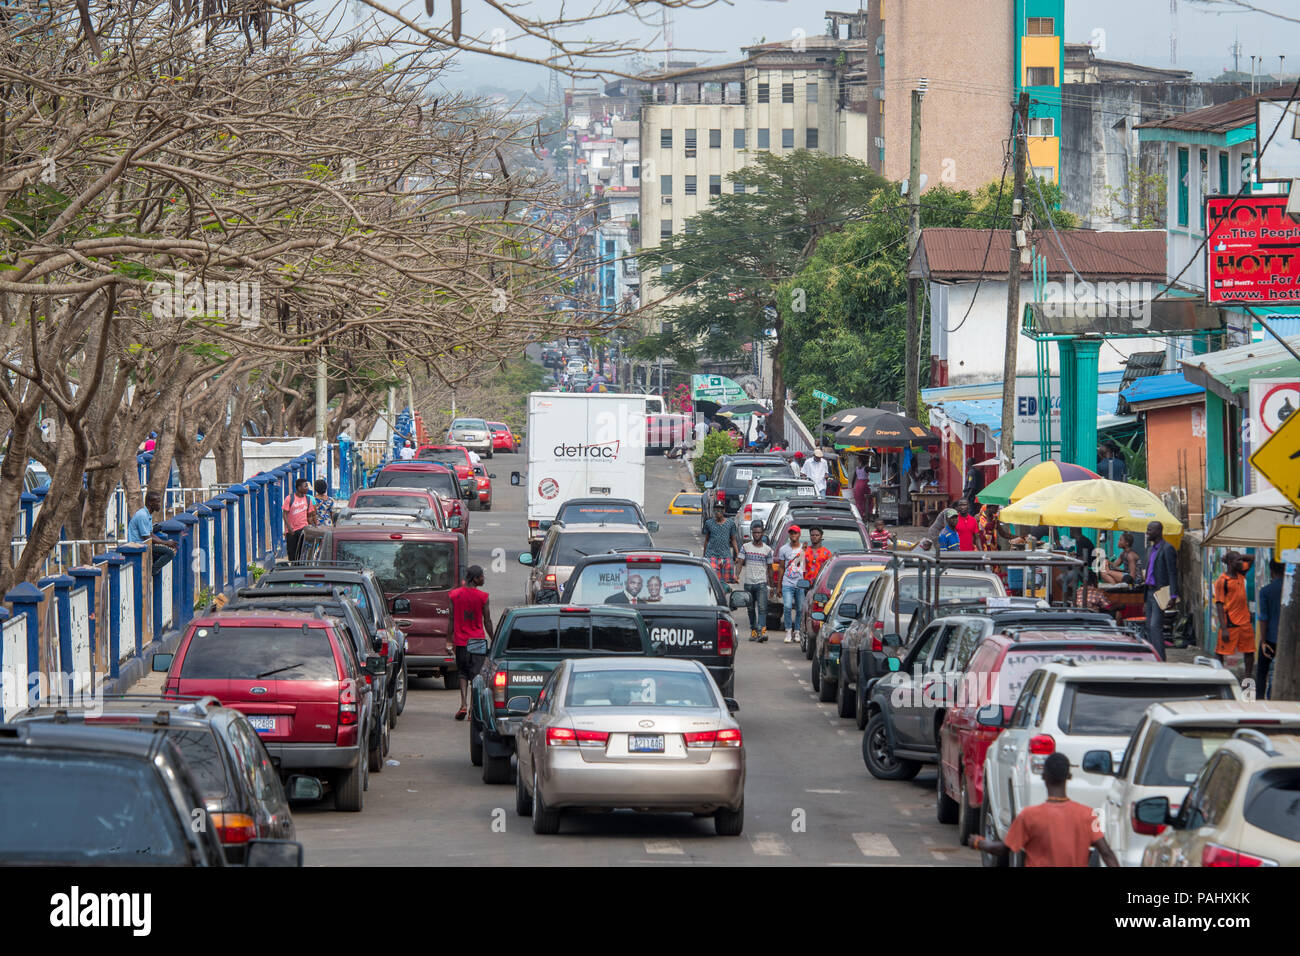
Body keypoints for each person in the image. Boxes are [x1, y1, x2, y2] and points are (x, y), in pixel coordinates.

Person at [968, 753, 1119, 867]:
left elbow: (1003, 849)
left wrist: (979, 843)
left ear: (1044, 776)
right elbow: (1106, 853)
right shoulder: (1088, 815)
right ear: (1069, 776)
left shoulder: (1029, 816)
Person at [449, 565, 492, 720]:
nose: (483, 579)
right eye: (482, 577)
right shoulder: (483, 597)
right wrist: (494, 638)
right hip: (478, 642)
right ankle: (473, 710)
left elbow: (451, 619)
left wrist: (449, 639)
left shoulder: (454, 595)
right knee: (475, 676)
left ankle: (463, 704)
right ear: (475, 579)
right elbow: (487, 621)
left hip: (461, 642)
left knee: (462, 673)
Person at [1213, 551, 1256, 679]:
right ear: (1231, 563)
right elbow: (1219, 605)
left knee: (1249, 652)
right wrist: (1224, 628)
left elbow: (1252, 558)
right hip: (1230, 623)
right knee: (1220, 652)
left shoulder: (1241, 574)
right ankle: (1219, 676)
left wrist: (1238, 557)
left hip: (1245, 622)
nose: (1242, 562)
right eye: (1238, 560)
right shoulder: (1222, 581)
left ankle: (1247, 678)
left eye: (1241, 560)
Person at [1143, 520, 1179, 661]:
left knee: (1155, 626)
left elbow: (1172, 572)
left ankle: (1160, 659)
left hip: (1160, 592)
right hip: (1149, 592)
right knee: (1149, 626)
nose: (1147, 532)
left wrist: (1173, 595)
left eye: (1149, 530)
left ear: (1158, 531)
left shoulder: (1168, 548)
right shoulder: (1149, 550)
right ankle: (1153, 656)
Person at [737, 520, 773, 643]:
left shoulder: (768, 550)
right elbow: (740, 562)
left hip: (761, 583)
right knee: (751, 609)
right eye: (755, 533)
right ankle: (753, 631)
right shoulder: (745, 547)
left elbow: (770, 568)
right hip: (748, 583)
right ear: (752, 534)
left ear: (762, 534)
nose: (757, 535)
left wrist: (772, 585)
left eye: (759, 532)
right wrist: (737, 575)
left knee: (762, 608)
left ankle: (762, 631)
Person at [127, 491, 178, 572]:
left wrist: (165, 542)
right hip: (137, 545)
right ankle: (151, 572)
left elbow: (151, 533)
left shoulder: (148, 514)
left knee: (169, 550)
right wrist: (165, 543)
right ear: (150, 503)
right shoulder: (142, 515)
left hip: (144, 545)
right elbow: (147, 537)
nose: (160, 504)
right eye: (157, 502)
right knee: (169, 553)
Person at [1257, 560, 1285, 700]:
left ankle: (1260, 701)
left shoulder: (1266, 591)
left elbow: (1264, 618)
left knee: (1262, 672)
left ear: (1271, 571)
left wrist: (1262, 641)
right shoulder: (1291, 590)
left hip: (1269, 639)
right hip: (1287, 640)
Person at [776, 525, 805, 643]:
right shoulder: (783, 549)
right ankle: (788, 630)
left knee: (800, 608)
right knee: (787, 607)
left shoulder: (804, 548)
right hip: (787, 582)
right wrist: (779, 585)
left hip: (800, 583)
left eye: (795, 533)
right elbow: (781, 567)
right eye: (791, 533)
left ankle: (797, 631)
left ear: (799, 534)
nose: (793, 535)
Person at [702, 508, 740, 583]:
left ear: (724, 511)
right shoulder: (708, 523)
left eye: (720, 509)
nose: (718, 512)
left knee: (726, 582)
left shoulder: (730, 523)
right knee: (713, 580)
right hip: (712, 555)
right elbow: (706, 539)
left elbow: (733, 540)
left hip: (726, 556)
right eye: (716, 510)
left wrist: (737, 555)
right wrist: (704, 555)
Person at [282, 478, 315, 562]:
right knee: (292, 552)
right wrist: (289, 527)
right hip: (292, 530)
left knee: (302, 551)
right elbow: (285, 513)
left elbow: (310, 515)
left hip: (303, 529)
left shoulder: (308, 499)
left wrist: (312, 527)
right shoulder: (289, 498)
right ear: (299, 488)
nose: (307, 488)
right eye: (305, 486)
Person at [852, 454, 872, 520]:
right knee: (869, 500)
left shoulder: (857, 468)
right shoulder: (866, 468)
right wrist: (877, 459)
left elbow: (853, 479)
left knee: (859, 501)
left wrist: (853, 487)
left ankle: (859, 515)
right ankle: (868, 515)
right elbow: (877, 470)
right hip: (865, 484)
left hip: (857, 485)